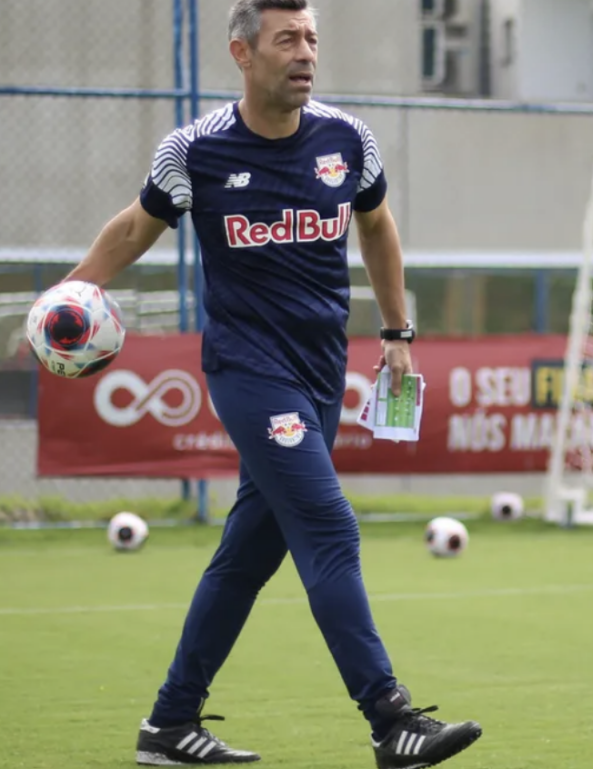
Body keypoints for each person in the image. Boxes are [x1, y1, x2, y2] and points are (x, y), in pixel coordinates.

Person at [64, 1, 482, 766]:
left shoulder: (347, 138)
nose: (306, 52)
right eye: (287, 38)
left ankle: (168, 724)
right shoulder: (193, 150)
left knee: (248, 556)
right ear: (242, 52)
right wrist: (72, 296)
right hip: (249, 373)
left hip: (324, 373)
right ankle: (392, 721)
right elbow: (133, 227)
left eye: (313, 38)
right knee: (329, 526)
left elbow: (378, 225)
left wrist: (396, 332)